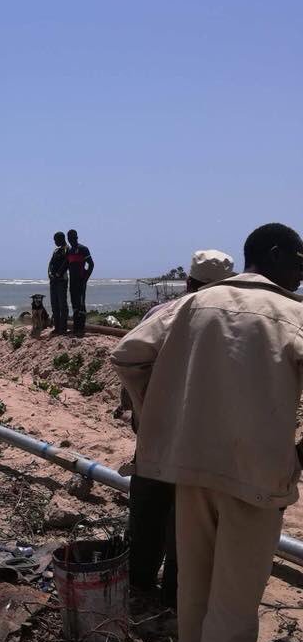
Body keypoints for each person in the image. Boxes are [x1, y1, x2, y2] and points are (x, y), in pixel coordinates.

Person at [112, 223, 303, 642]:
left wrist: (156, 420)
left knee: (195, 582)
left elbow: (128, 354)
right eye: (299, 260)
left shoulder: (192, 305)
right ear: (275, 255)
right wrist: (298, 454)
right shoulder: (291, 314)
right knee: (235, 596)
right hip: (257, 475)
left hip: (190, 467)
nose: (302, 272)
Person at [127, 249, 235, 610]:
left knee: (147, 512)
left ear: (188, 282)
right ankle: (176, 595)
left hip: (157, 433)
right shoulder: (233, 325)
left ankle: (139, 583)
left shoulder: (161, 313)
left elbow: (130, 362)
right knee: (189, 524)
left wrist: (141, 412)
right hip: (204, 441)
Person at [66, 230, 94, 335]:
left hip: (81, 281)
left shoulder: (83, 249)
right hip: (72, 282)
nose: (71, 239)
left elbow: (91, 264)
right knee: (74, 304)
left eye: (73, 237)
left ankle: (81, 328)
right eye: (69, 238)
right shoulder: (69, 251)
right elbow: (67, 265)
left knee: (81, 304)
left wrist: (85, 278)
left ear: (77, 237)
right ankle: (76, 327)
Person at [48, 232, 69, 334]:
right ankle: (57, 327)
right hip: (53, 280)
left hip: (62, 280)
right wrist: (50, 274)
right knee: (54, 304)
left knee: (62, 304)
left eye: (56, 240)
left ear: (61, 239)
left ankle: (63, 328)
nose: (55, 242)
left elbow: (66, 263)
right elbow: (50, 263)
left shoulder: (67, 249)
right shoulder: (56, 251)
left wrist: (58, 274)